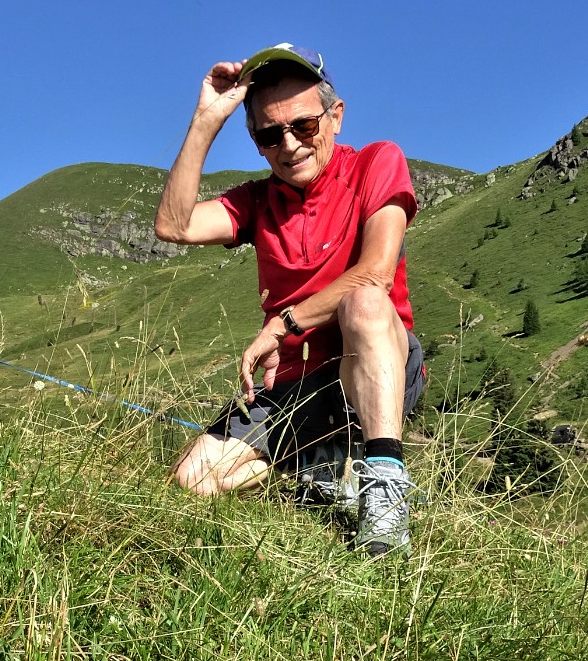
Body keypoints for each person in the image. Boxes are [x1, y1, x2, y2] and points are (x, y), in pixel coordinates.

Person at [154, 44, 425, 556]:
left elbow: (376, 274)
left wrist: (284, 324)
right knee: (192, 482)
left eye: (304, 126)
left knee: (362, 303)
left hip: (375, 361)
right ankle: (313, 468)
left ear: (336, 116)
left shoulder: (376, 163)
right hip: (294, 385)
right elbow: (174, 224)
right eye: (268, 134)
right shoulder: (257, 201)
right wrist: (207, 119)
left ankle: (385, 489)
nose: (290, 145)